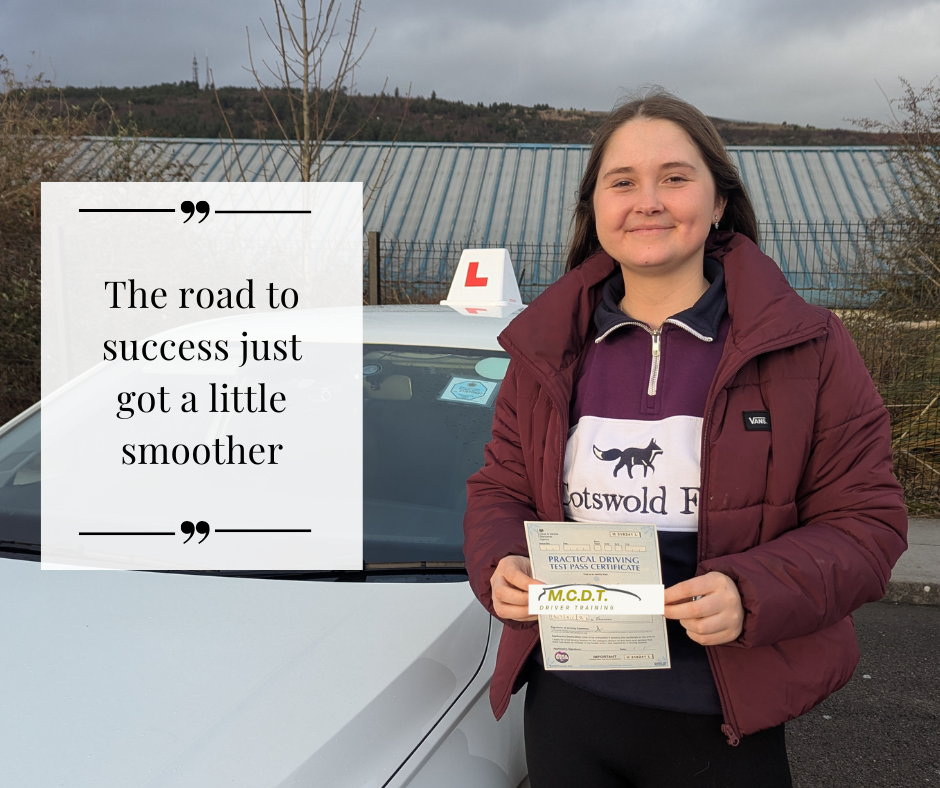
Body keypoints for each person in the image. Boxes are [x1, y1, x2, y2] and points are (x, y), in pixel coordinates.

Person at [462, 89, 908, 788]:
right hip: (571, 710)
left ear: (720, 201)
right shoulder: (547, 350)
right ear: (596, 209)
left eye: (674, 177)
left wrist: (749, 589)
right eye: (622, 182)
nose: (648, 201)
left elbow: (868, 524)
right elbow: (500, 489)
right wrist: (502, 562)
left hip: (721, 724)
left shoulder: (809, 348)